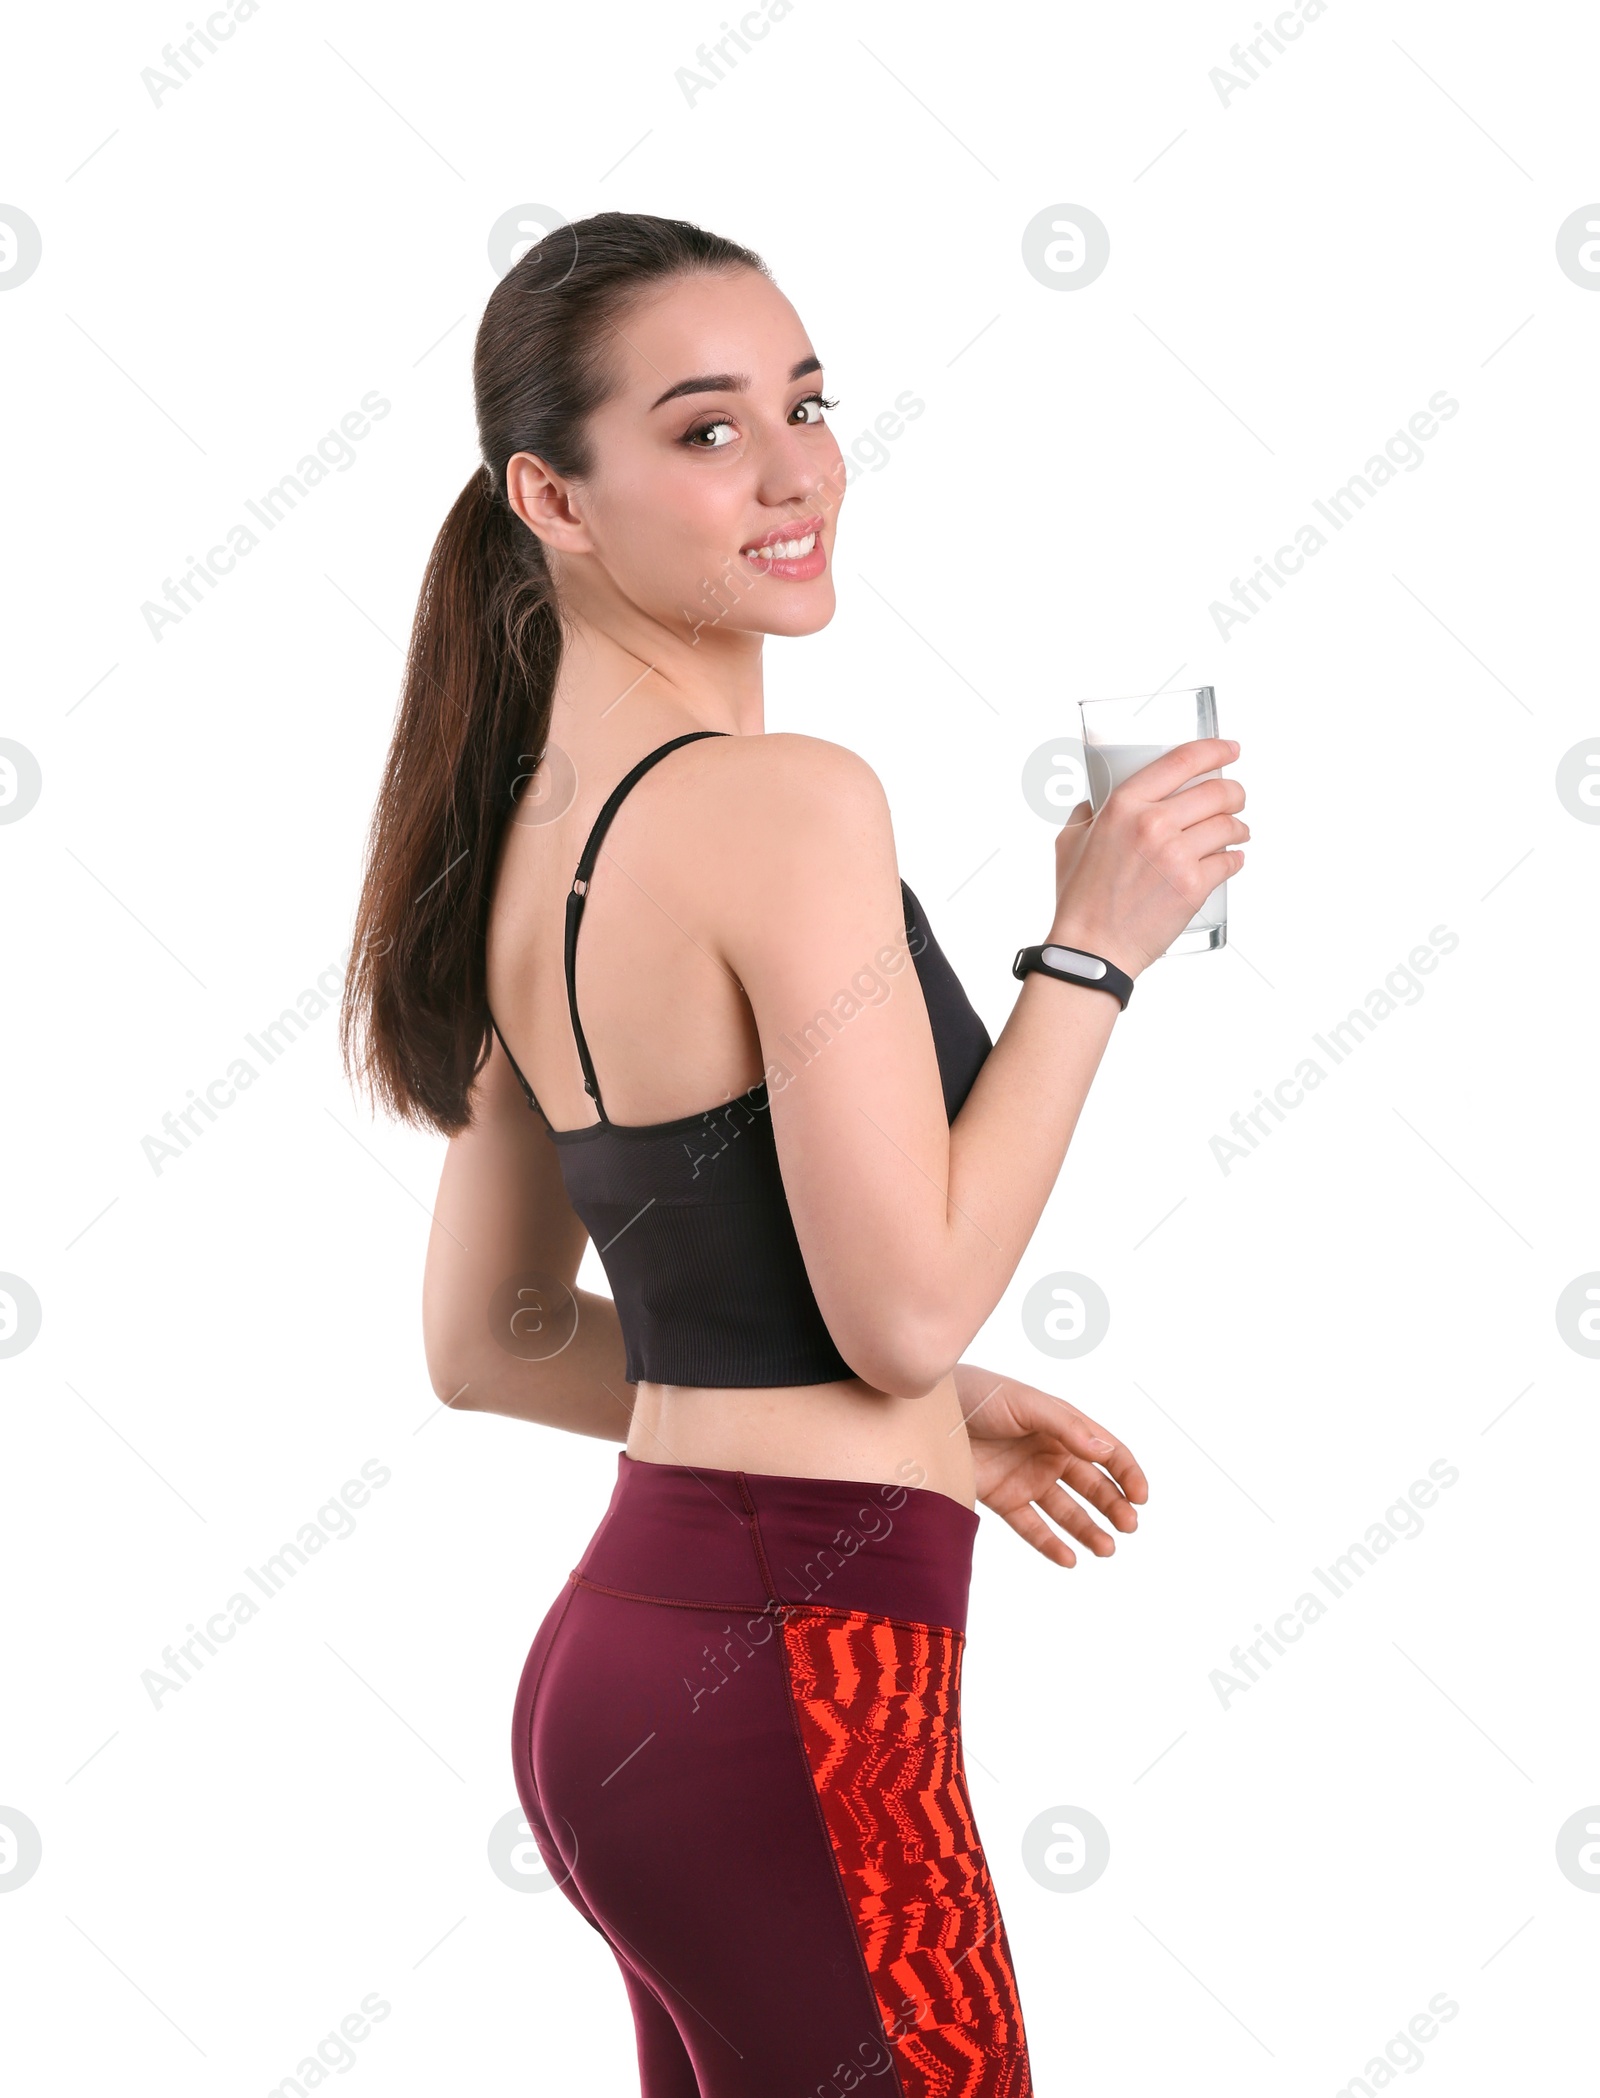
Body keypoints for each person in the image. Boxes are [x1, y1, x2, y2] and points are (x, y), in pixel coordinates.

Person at [340, 210, 1248, 2098]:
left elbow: (494, 1338)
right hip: (797, 1692)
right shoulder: (784, 804)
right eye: (704, 429)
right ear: (553, 499)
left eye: (808, 404)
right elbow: (905, 1301)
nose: (795, 470)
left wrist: (911, 1414)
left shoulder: (522, 836)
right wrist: (1098, 944)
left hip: (624, 1676)